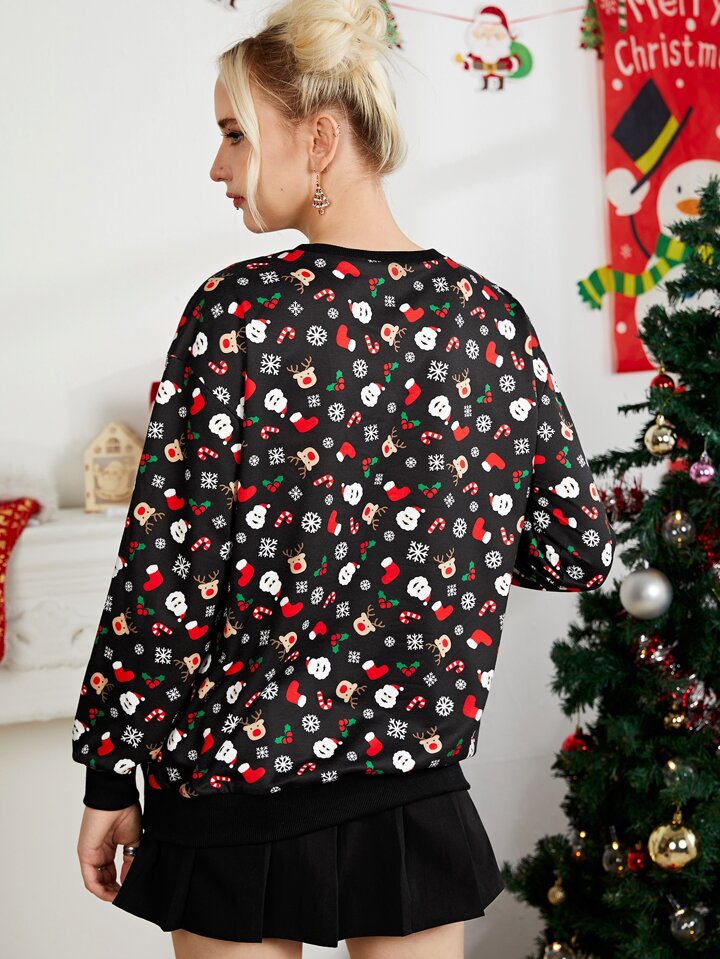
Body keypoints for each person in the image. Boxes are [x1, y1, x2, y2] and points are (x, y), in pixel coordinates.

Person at [72, 1, 617, 956]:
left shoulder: (236, 315)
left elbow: (169, 573)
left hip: (229, 794)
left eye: (235, 134)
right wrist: (439, 546)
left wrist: (112, 773)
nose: (218, 167)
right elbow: (575, 549)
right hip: (411, 794)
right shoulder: (489, 318)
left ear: (319, 139)